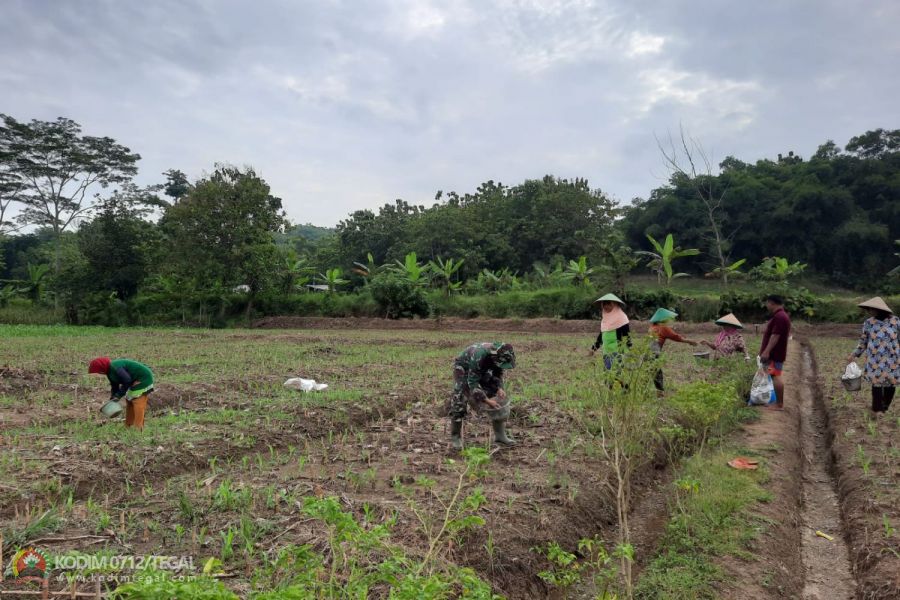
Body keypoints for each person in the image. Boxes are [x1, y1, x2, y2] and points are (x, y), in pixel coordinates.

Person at [448, 342, 516, 450]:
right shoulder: (479, 355)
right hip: (464, 368)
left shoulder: (498, 356)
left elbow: (497, 373)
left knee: (496, 395)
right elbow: (473, 382)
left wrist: (499, 388)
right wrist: (487, 401)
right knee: (460, 398)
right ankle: (456, 437)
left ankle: (500, 436)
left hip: (482, 367)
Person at [846, 297, 899, 414]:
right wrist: (854, 354)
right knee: (876, 383)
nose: (869, 311)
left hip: (892, 358)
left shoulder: (896, 321)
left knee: (891, 383)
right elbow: (863, 341)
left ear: (879, 309)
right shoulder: (869, 323)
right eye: (868, 309)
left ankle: (885, 406)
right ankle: (876, 409)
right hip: (875, 359)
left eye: (871, 309)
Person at [88, 357, 155, 430]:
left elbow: (127, 380)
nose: (99, 374)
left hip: (143, 378)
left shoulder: (116, 367)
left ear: (102, 369)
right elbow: (114, 385)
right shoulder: (109, 372)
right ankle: (128, 425)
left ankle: (138, 428)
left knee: (137, 401)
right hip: (133, 380)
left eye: (98, 372)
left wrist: (119, 395)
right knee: (129, 401)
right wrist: (113, 397)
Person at [648, 308, 699, 391]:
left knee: (651, 371)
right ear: (663, 319)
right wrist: (690, 341)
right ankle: (660, 391)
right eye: (668, 318)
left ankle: (653, 390)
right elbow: (676, 337)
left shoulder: (652, 327)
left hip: (647, 351)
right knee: (657, 372)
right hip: (654, 351)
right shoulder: (663, 328)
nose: (669, 320)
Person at [759, 295, 791, 410]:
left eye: (767, 303)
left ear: (771, 303)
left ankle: (779, 404)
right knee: (774, 375)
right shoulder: (781, 316)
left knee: (776, 376)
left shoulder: (779, 317)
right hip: (776, 353)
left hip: (774, 354)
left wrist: (766, 351)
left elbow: (775, 336)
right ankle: (777, 403)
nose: (766, 306)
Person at [590, 293, 631, 369]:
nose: (606, 306)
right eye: (604, 304)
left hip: (618, 351)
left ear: (614, 304)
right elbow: (601, 335)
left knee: (617, 372)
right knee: (608, 372)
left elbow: (627, 335)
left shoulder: (621, 318)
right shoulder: (605, 319)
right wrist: (594, 348)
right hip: (606, 351)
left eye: (608, 304)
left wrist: (629, 348)